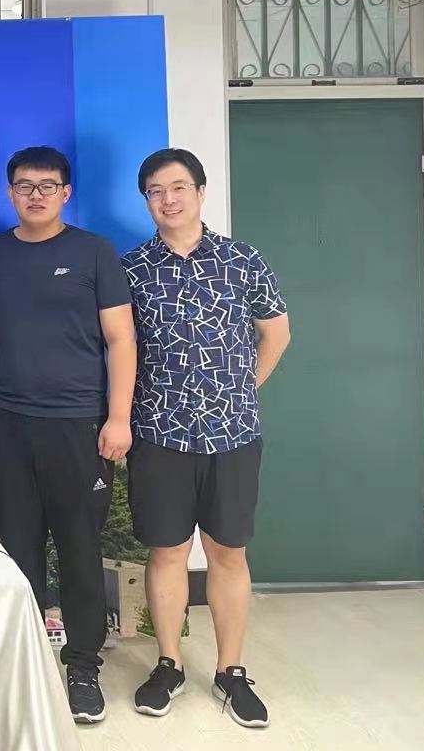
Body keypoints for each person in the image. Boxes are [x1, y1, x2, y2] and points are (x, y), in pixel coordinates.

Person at [121, 148, 290, 729]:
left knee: (228, 552)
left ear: (200, 192)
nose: (167, 199)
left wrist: (240, 390)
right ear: (146, 200)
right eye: (155, 191)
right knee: (167, 551)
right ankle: (168, 663)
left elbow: (276, 333)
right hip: (159, 433)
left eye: (177, 188)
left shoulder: (242, 259)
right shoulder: (131, 269)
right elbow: (120, 347)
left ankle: (230, 671)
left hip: (232, 435)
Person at [0, 145, 136, 726]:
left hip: (78, 424)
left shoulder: (93, 252)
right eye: (25, 185)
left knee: (78, 547)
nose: (36, 194)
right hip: (9, 426)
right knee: (17, 546)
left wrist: (118, 418)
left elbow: (121, 339)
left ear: (66, 193)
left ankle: (83, 666)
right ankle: (25, 660)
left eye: (47, 185)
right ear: (10, 193)